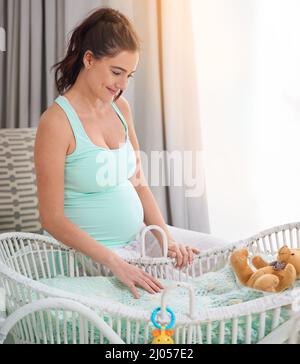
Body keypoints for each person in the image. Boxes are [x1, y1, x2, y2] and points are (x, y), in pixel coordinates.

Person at [34, 7, 227, 299]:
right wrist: (117, 263)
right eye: (116, 72)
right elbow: (52, 219)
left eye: (129, 75)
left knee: (224, 253)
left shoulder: (120, 108)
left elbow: (138, 181)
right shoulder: (56, 123)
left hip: (136, 242)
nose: (122, 85)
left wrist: (168, 241)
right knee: (179, 301)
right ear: (89, 59)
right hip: (91, 258)